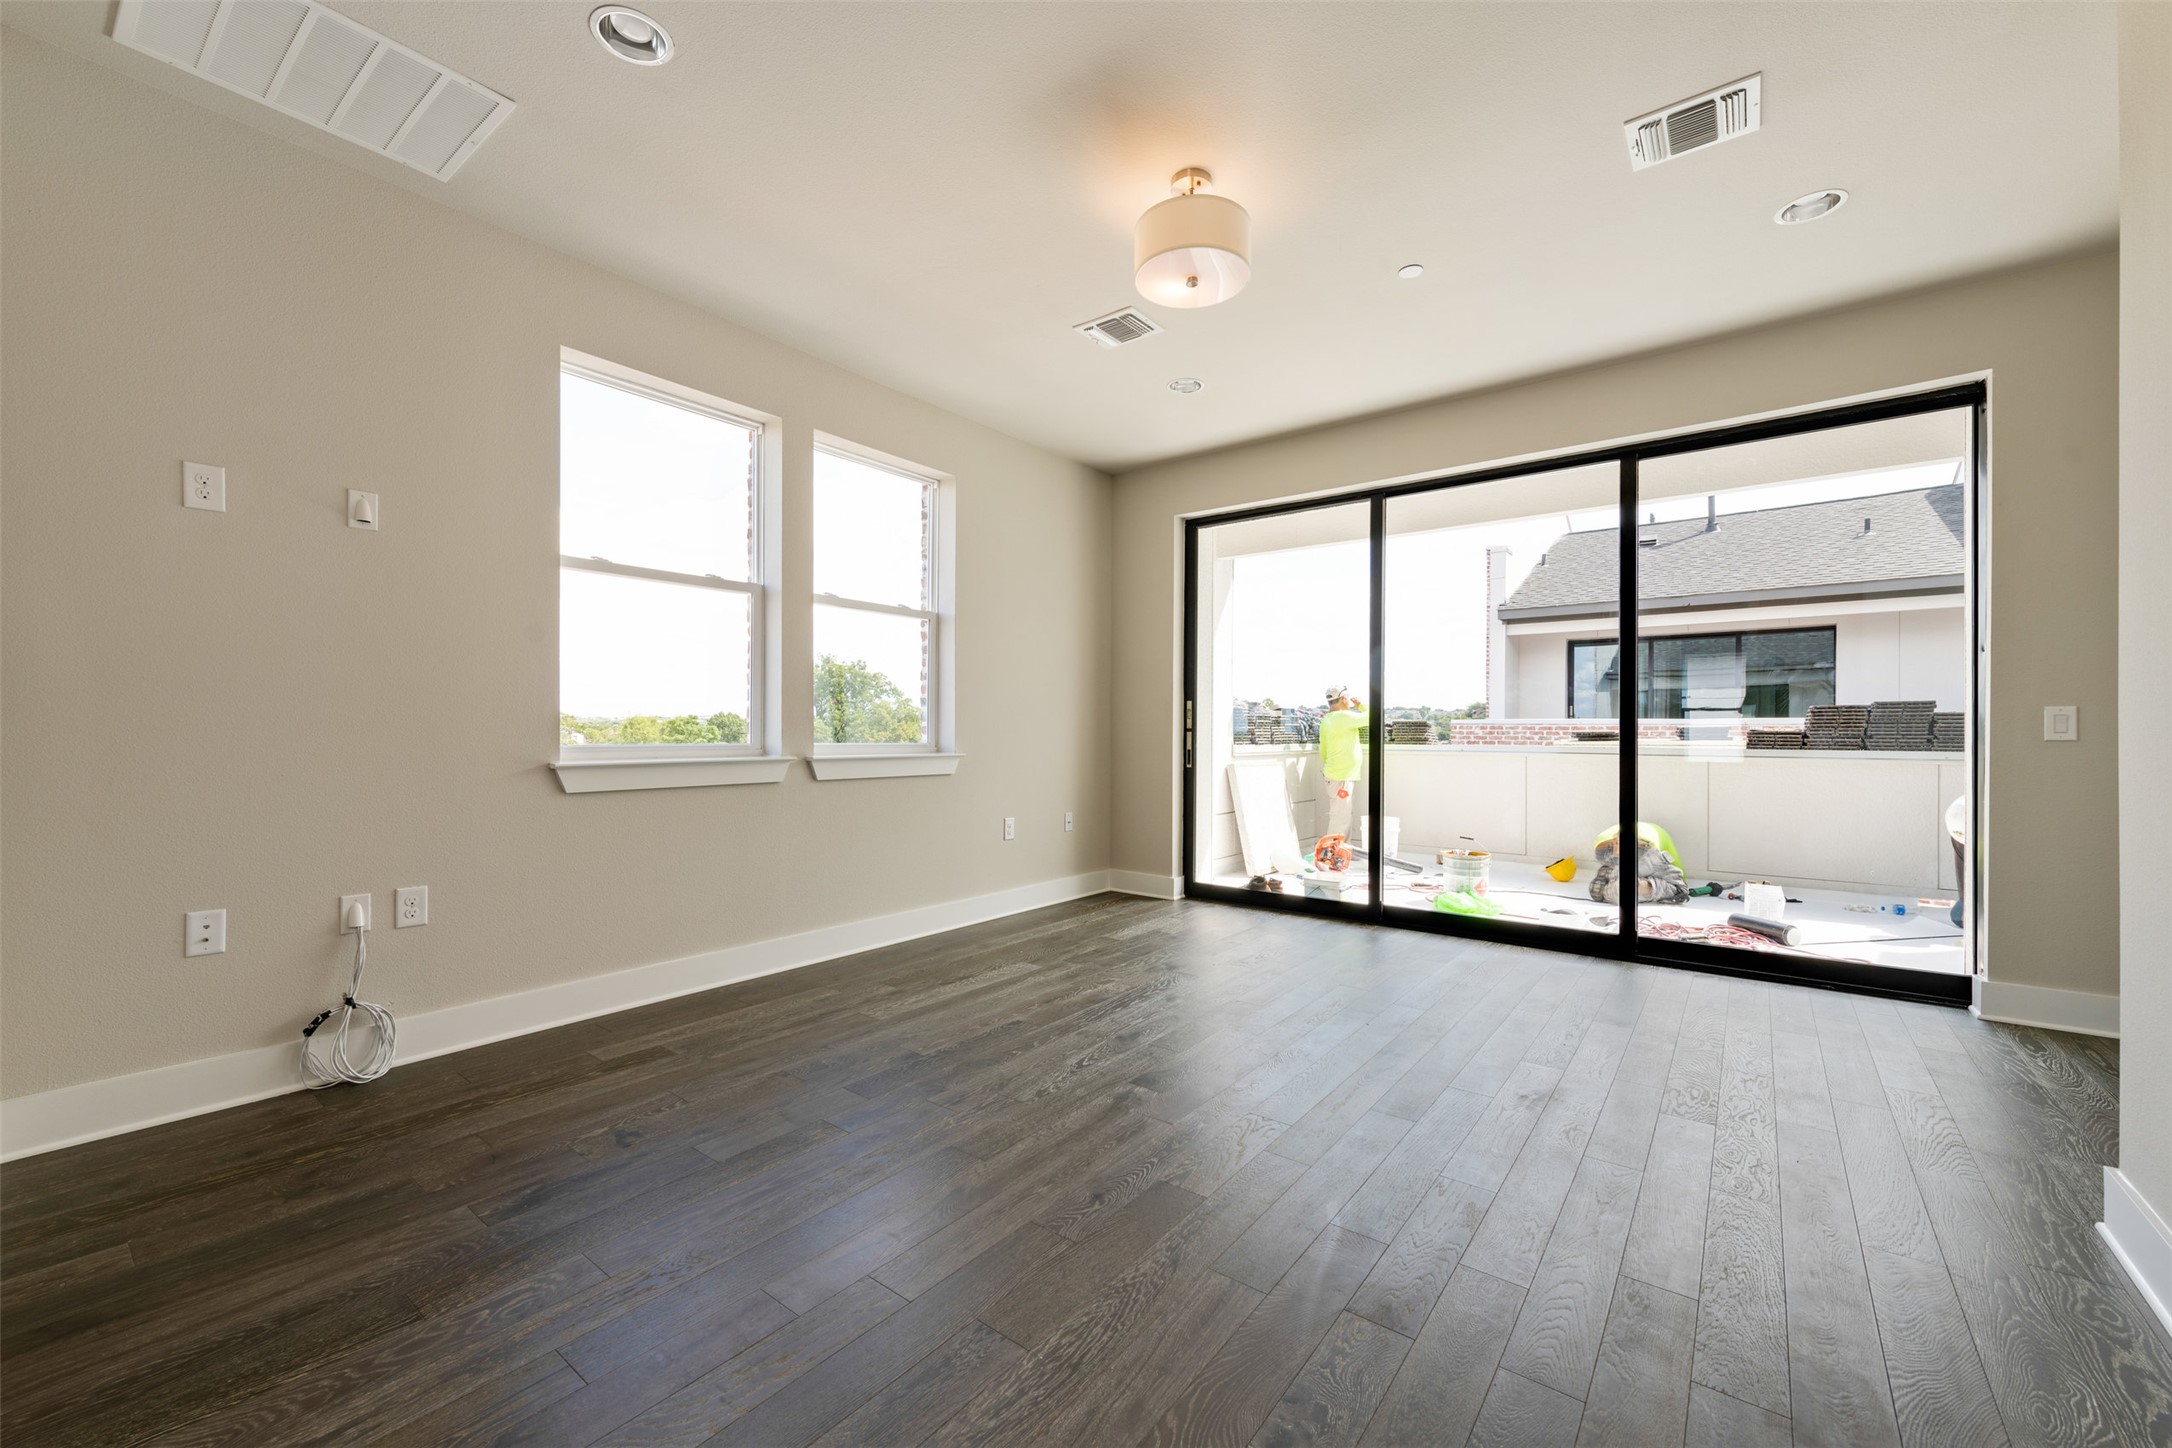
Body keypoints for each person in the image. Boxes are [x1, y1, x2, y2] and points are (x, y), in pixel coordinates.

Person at [1316, 687, 1370, 847]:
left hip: (1335, 775)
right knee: (1341, 817)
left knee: (1341, 815)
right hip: (1341, 776)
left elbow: (1323, 749)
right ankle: (1332, 852)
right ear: (1344, 699)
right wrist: (1361, 705)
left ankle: (1342, 851)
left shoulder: (1327, 720)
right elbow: (1372, 717)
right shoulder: (1344, 717)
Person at [1589, 821, 1690, 905]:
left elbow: (1680, 887)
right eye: (1611, 846)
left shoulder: (1653, 860)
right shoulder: (1609, 866)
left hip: (1653, 857)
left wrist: (1647, 886)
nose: (1615, 848)